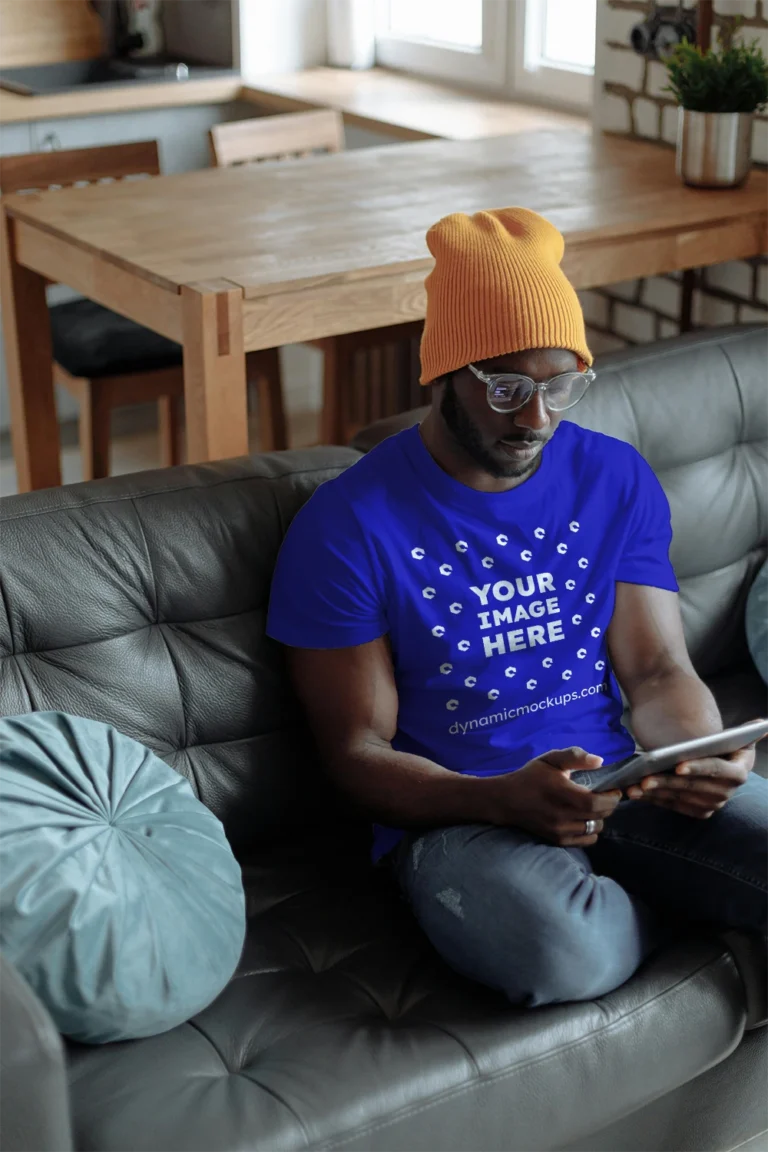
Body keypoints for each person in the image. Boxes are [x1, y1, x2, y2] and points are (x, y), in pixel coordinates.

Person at [266, 206, 767, 1007]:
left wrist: (697, 755)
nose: (535, 418)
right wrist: (495, 795)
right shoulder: (347, 526)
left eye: (560, 385)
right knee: (564, 953)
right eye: (505, 388)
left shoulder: (612, 476)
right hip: (459, 817)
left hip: (620, 784)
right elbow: (356, 753)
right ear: (441, 376)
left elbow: (656, 667)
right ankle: (706, 907)